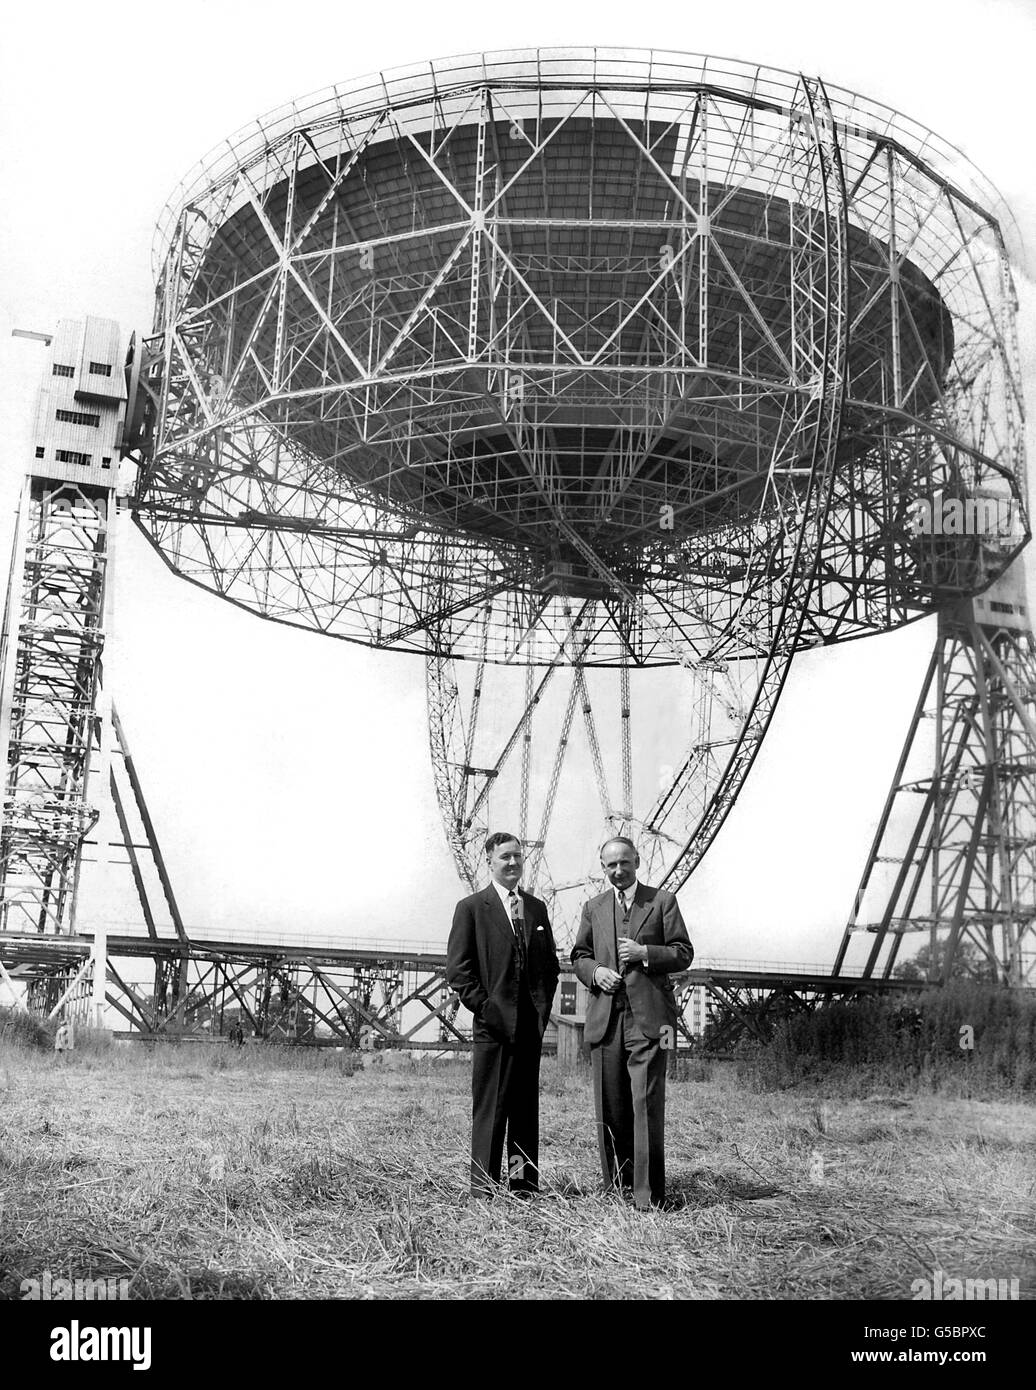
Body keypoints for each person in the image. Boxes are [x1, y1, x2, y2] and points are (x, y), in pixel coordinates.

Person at [571, 836, 693, 1211]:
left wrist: (646, 954)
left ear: (637, 861)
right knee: (610, 1106)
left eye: (625, 862)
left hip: (651, 1022)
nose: (618, 870)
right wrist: (595, 973)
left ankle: (648, 1197)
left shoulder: (663, 901)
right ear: (603, 868)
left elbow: (683, 953)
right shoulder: (593, 907)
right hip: (606, 1018)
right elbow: (579, 955)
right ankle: (617, 1189)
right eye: (611, 865)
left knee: (645, 1103)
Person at [447, 832, 560, 1197]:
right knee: (492, 1110)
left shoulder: (536, 909)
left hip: (528, 1027)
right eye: (504, 858)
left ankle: (523, 1184)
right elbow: (459, 971)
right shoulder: (471, 908)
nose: (512, 864)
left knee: (524, 1113)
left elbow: (550, 967)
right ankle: (483, 1188)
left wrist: (541, 1010)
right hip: (493, 1028)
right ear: (489, 861)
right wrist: (485, 1007)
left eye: (517, 857)